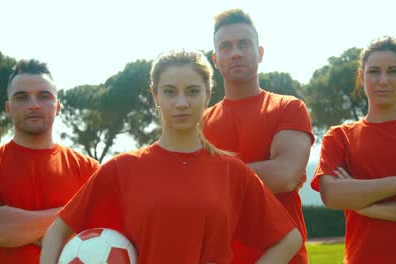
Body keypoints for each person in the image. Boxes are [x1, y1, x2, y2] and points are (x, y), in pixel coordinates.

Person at [40, 50, 302, 264]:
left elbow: (289, 239)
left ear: (207, 95)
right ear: (155, 96)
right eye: (169, 91)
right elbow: (56, 232)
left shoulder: (232, 170)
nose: (181, 102)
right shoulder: (123, 168)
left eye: (192, 91)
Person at [311, 36, 396, 263]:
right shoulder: (339, 137)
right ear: (361, 76)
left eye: (393, 71)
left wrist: (370, 209)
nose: (383, 80)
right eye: (374, 72)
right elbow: (332, 195)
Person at [202, 9, 314, 264]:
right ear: (215, 59)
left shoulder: (289, 107)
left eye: (244, 44)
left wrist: (209, 174)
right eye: (226, 47)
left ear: (260, 52)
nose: (236, 53)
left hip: (286, 257)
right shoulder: (199, 124)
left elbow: (284, 177)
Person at [0, 59, 100, 263]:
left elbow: (100, 230)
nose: (34, 105)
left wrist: (24, 227)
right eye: (21, 97)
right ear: (8, 107)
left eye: (44, 96)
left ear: (58, 107)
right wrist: (71, 219)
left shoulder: (89, 169)